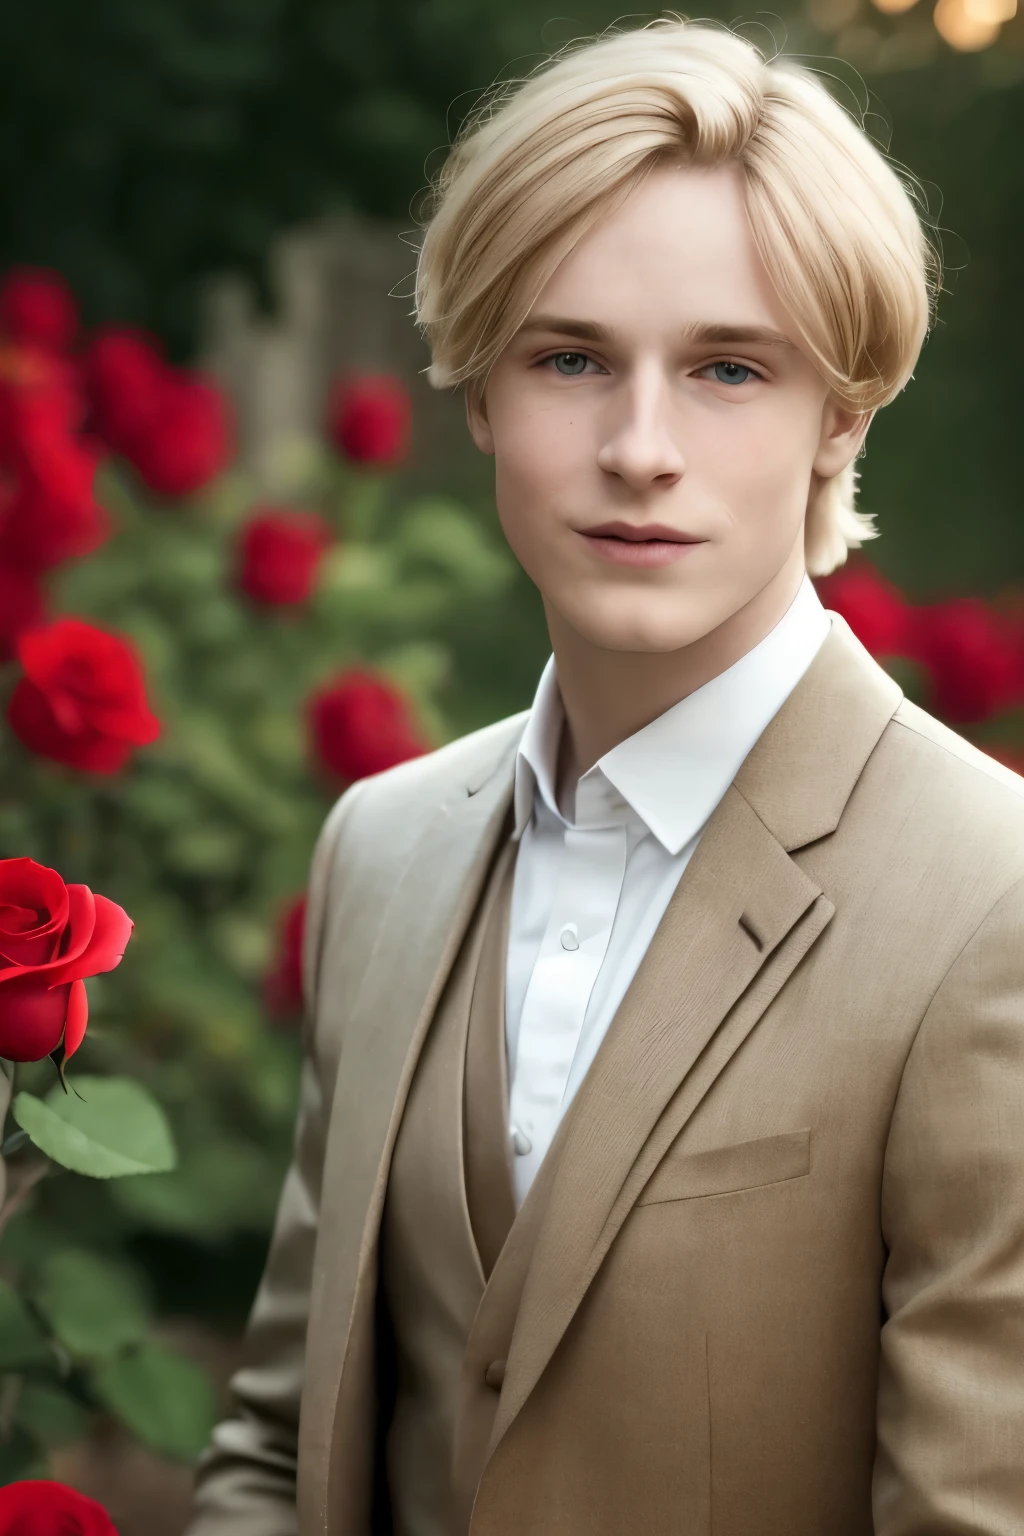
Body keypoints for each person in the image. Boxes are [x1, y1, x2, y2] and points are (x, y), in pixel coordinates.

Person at [185, 18, 1024, 1536]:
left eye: (726, 368)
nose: (640, 448)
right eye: (571, 358)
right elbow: (275, 1449)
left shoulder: (993, 900)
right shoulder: (380, 847)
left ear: (842, 413)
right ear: (480, 393)